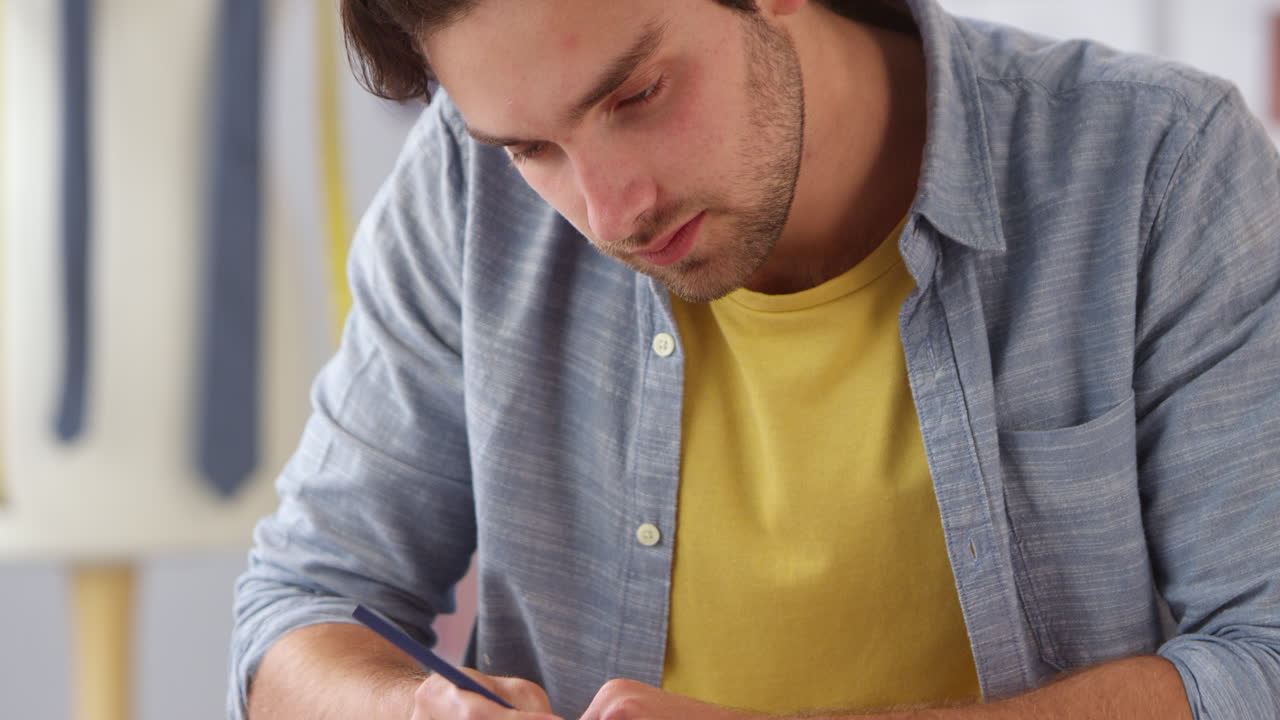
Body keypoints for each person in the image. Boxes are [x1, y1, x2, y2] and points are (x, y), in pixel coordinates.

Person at [229, 0, 1280, 717]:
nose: (608, 212)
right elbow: (298, 604)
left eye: (635, 94)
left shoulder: (1158, 170)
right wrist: (399, 708)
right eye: (531, 147)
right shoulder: (463, 188)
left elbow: (1260, 658)